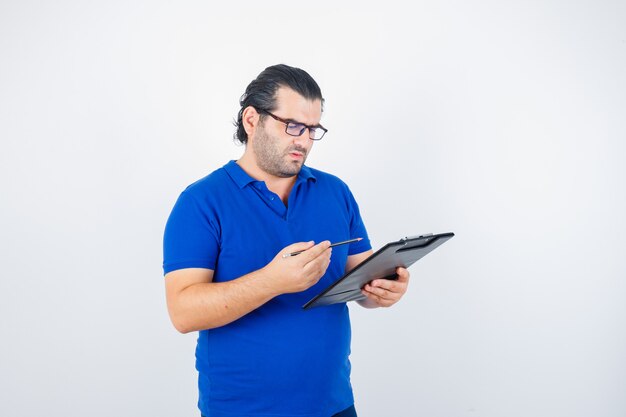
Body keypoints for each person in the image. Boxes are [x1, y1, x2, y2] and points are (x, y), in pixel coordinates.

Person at [163, 64, 410, 417]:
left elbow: (360, 282)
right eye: (293, 126)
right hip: (243, 410)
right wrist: (273, 281)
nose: (304, 140)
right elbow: (183, 313)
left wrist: (383, 291)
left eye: (313, 129)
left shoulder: (335, 192)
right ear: (252, 120)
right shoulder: (201, 202)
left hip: (334, 405)